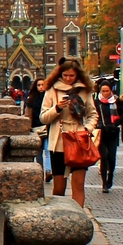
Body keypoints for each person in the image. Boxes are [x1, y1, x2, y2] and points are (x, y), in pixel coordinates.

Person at [40, 59, 98, 206]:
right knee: (59, 188)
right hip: (58, 142)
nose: (68, 79)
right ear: (60, 74)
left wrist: (87, 129)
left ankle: (79, 217)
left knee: (78, 184)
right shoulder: (52, 90)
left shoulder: (84, 90)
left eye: (71, 76)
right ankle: (58, 217)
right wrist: (57, 108)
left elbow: (93, 114)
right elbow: (43, 118)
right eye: (65, 75)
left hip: (78, 140)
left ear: (77, 75)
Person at [94, 82, 121, 194]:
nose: (105, 93)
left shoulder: (117, 101)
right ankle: (104, 183)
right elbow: (93, 115)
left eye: (107, 91)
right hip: (102, 133)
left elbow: (122, 115)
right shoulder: (97, 102)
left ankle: (110, 176)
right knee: (103, 157)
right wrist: (98, 124)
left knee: (112, 158)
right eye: (103, 91)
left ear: (111, 91)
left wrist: (116, 123)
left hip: (113, 132)